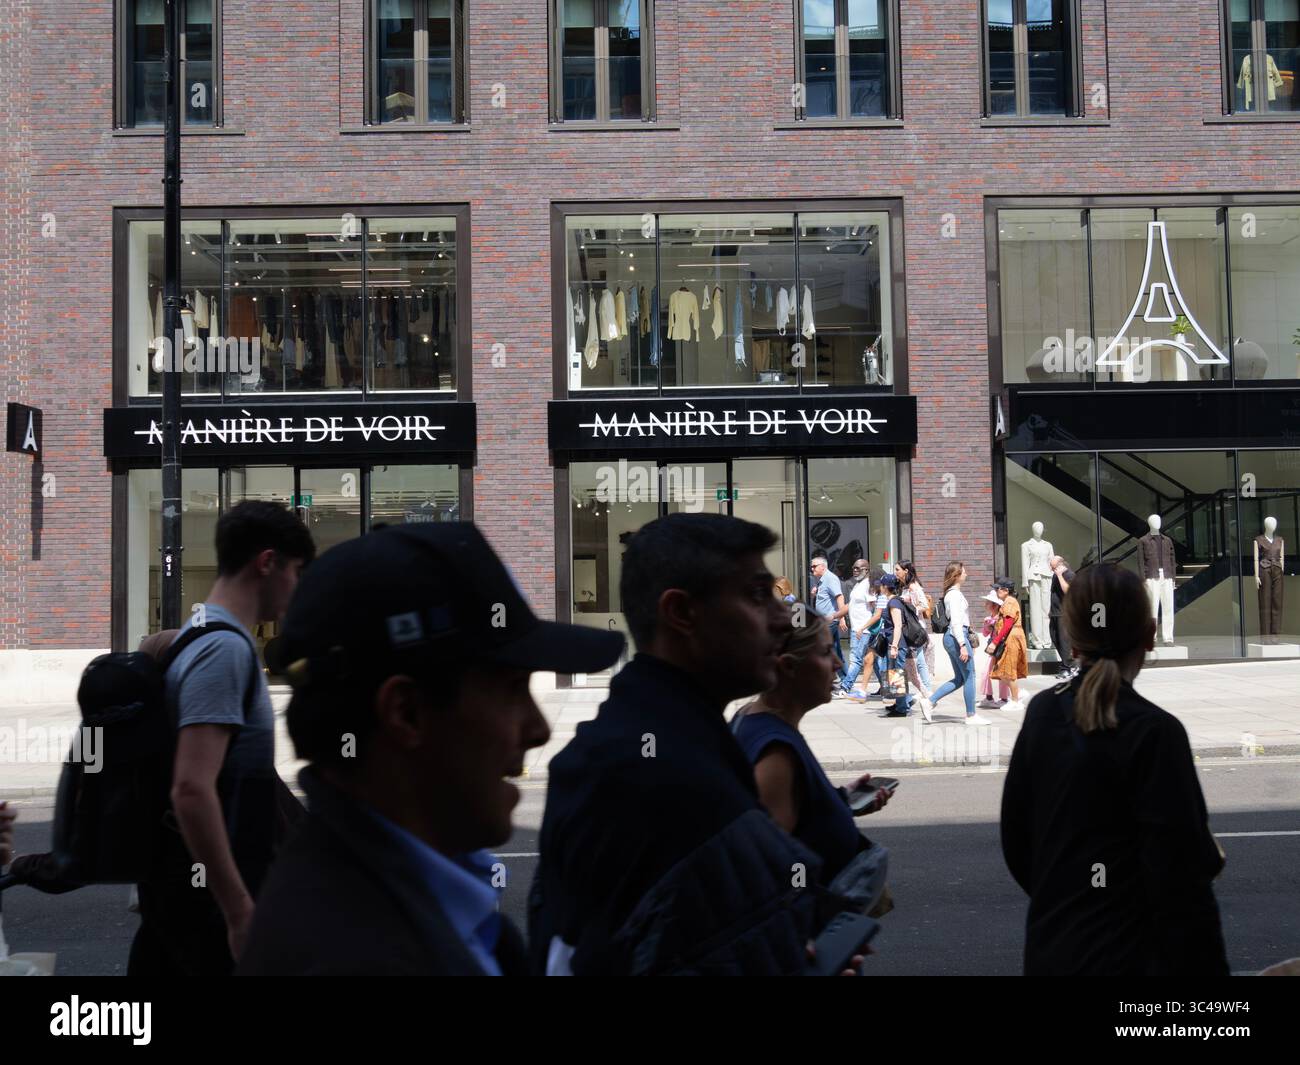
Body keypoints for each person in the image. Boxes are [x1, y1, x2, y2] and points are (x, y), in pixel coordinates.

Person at [238, 523, 623, 975]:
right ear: (407, 713)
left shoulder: (416, 895)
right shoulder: (358, 955)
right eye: (514, 688)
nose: (539, 729)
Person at [530, 514, 863, 976]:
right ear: (681, 613)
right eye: (756, 594)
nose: (783, 617)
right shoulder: (664, 774)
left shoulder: (664, 737)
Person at [1000, 563, 1229, 976]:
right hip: (1134, 958)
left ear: (1072, 643)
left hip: (1053, 950)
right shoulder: (1157, 733)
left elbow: (1018, 840)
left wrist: (1067, 900)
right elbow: (1182, 877)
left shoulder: (1043, 712)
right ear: (1149, 636)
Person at [128, 501, 315, 977]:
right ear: (267, 562)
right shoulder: (224, 649)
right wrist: (238, 911)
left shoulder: (199, 633)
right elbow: (192, 788)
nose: (296, 588)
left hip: (192, 898)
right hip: (211, 909)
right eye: (295, 571)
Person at [732, 619, 890, 881]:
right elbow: (767, 874)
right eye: (826, 653)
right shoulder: (776, 753)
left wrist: (838, 799)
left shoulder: (749, 716)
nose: (838, 665)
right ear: (789, 666)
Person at [928, 562, 991, 725]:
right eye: (964, 572)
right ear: (956, 575)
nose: (966, 574)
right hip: (956, 636)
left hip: (952, 637)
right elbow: (956, 622)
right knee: (970, 676)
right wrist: (963, 645)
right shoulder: (954, 595)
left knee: (960, 678)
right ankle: (971, 715)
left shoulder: (952, 594)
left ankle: (930, 701)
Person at [875, 575, 921, 719]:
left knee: (897, 675)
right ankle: (902, 703)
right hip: (893, 642)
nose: (879, 587)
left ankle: (902, 708)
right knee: (894, 674)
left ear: (885, 587)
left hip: (897, 644)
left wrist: (894, 646)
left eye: (881, 585)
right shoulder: (892, 601)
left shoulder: (894, 603)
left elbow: (898, 626)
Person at [838, 563, 884, 698]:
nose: (854, 570)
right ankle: (885, 687)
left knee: (857, 658)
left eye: (858, 568)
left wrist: (865, 627)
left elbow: (876, 610)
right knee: (872, 660)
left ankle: (845, 687)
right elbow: (851, 605)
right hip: (859, 628)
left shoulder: (869, 586)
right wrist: (837, 615)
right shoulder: (858, 585)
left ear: (866, 570)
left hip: (864, 630)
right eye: (853, 568)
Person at [895, 560, 936, 702]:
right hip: (910, 627)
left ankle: (926, 689)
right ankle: (925, 688)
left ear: (906, 571)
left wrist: (910, 608)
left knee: (919, 660)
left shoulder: (913, 586)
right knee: (918, 660)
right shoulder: (903, 586)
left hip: (915, 628)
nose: (896, 572)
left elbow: (924, 605)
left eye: (897, 569)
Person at [986, 578, 1028, 713]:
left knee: (1008, 670)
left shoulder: (1010, 602)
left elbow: (1008, 624)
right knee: (1005, 670)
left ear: (1005, 591)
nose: (995, 591)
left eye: (997, 589)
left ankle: (1016, 700)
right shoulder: (1007, 602)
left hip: (1012, 638)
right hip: (1010, 637)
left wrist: (995, 642)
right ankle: (1017, 695)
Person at [810, 554, 849, 683]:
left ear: (822, 566)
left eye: (814, 566)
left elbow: (839, 597)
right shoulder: (822, 580)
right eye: (811, 567)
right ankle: (845, 681)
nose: (812, 569)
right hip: (826, 620)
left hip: (830, 621)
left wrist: (842, 618)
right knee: (835, 652)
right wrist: (816, 593)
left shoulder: (830, 579)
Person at [977, 590, 1011, 709]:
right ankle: (989, 697)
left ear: (995, 605)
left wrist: (994, 623)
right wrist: (987, 625)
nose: (985, 605)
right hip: (993, 649)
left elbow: (1003, 631)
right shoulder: (989, 618)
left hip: (1001, 648)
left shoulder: (1001, 617)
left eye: (988, 603)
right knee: (986, 672)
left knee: (1001, 673)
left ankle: (1004, 698)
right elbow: (985, 634)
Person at [1049, 556, 1076, 680]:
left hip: (1064, 614)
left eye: (1053, 567)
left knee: (1064, 643)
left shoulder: (1070, 575)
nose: (1051, 569)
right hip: (1054, 613)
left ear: (1060, 565)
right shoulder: (1055, 575)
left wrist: (1059, 575)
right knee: (1055, 639)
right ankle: (1071, 665)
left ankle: (1066, 669)